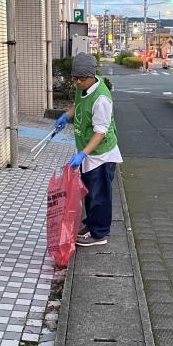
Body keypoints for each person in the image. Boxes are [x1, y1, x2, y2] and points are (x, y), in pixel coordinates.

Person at [53, 53, 122, 247]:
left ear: (92, 76)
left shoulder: (101, 99)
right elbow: (78, 104)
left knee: (100, 196)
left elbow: (100, 132)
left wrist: (83, 153)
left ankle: (99, 234)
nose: (78, 82)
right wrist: (66, 116)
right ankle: (91, 225)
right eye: (75, 78)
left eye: (82, 79)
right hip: (89, 152)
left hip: (101, 155)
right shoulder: (82, 87)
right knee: (90, 193)